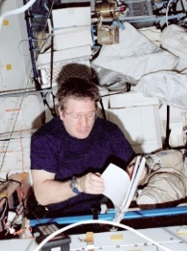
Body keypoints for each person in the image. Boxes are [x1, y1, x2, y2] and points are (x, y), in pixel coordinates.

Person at [30, 77, 136, 216]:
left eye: (90, 115)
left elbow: (134, 166)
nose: (84, 124)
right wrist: (79, 185)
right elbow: (42, 195)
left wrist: (139, 174)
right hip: (62, 217)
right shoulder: (45, 139)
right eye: (76, 116)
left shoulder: (109, 131)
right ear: (61, 112)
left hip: (107, 210)